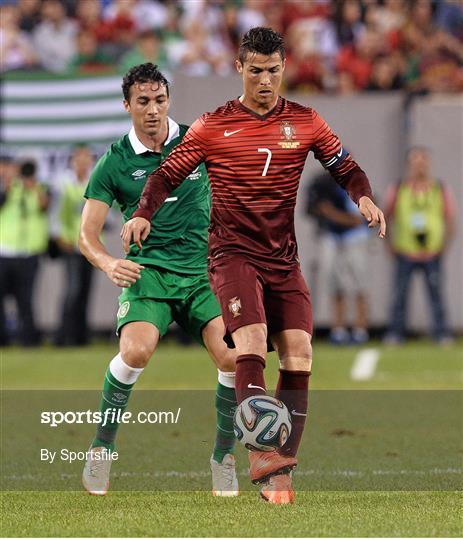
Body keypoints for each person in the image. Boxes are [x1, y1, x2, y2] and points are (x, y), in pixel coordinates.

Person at [122, 27, 386, 504]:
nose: (266, 80)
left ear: (284, 69)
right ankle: (262, 453)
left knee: (300, 354)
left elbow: (345, 166)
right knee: (251, 341)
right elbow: (166, 174)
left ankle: (281, 470)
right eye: (257, 71)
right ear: (240, 68)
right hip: (232, 255)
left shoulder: (306, 121)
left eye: (274, 71)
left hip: (283, 258)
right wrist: (143, 211)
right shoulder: (212, 125)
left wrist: (363, 197)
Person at [79, 63, 238, 497]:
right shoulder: (114, 162)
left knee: (232, 358)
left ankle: (223, 457)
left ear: (169, 100)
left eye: (160, 100)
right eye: (143, 102)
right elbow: (86, 235)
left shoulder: (196, 140)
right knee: (136, 351)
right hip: (149, 274)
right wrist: (109, 263)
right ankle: (102, 448)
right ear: (127, 105)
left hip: (203, 275)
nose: (153, 110)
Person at [384, 147, 455, 344]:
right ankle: (395, 333)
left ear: (428, 163)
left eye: (423, 161)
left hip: (432, 252)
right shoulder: (398, 188)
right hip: (405, 251)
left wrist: (444, 245)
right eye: (415, 162)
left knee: (436, 294)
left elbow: (450, 219)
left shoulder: (440, 188)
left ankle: (442, 334)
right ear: (409, 165)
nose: (419, 166)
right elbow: (386, 215)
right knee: (399, 294)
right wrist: (389, 244)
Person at [306, 171, 370, 345]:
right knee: (334, 284)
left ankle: (360, 329)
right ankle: (338, 328)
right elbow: (317, 208)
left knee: (359, 283)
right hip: (332, 236)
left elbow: (361, 215)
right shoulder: (322, 182)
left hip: (355, 237)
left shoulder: (356, 181)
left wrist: (338, 216)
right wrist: (343, 219)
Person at [0, 159, 49, 346]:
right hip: (3, 252)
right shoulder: (8, 188)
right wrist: (8, 183)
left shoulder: (38, 188)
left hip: (28, 253)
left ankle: (28, 339)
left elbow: (44, 206)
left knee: (26, 299)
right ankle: (2, 339)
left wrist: (33, 186)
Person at [54, 145, 95, 346]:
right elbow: (59, 215)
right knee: (72, 290)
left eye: (86, 159)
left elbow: (107, 216)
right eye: (79, 159)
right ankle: (64, 336)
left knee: (86, 291)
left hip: (92, 247)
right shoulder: (65, 185)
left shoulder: (95, 182)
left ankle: (81, 337)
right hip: (73, 244)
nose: (83, 163)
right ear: (73, 162)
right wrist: (61, 237)